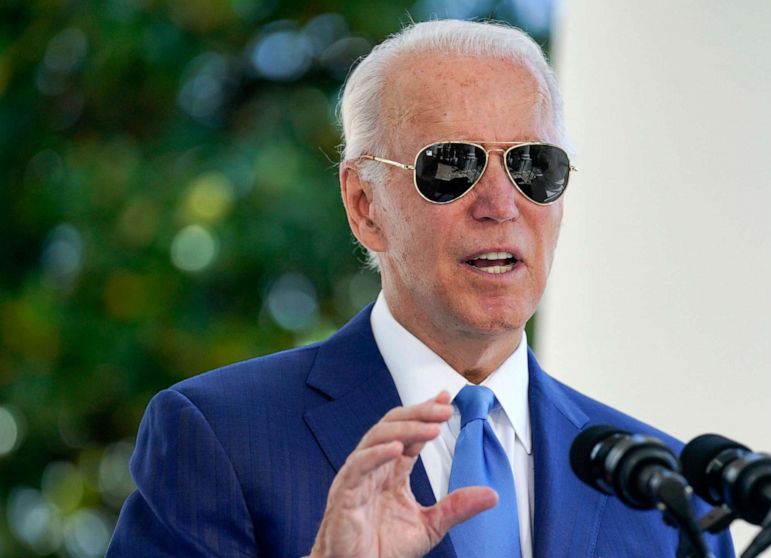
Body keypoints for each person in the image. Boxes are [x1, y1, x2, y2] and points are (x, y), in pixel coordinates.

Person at [108, 19, 734, 558]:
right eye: (452, 167)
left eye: (533, 166)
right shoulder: (221, 437)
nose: (499, 204)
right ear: (364, 205)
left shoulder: (667, 489)